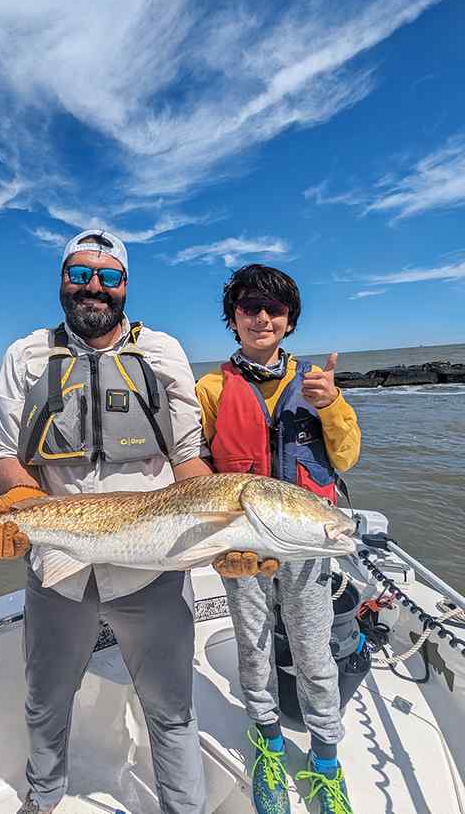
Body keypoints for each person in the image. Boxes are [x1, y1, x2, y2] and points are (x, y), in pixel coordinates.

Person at [0, 229, 218, 814]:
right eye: (80, 274)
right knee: (45, 700)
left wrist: (223, 527)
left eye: (109, 277)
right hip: (60, 569)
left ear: (126, 286)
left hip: (153, 570)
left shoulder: (161, 353)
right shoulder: (25, 357)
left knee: (172, 710)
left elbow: (188, 457)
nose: (94, 288)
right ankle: (44, 797)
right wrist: (18, 503)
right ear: (61, 280)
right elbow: (9, 456)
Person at [196, 264, 361, 814]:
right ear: (233, 319)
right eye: (248, 307)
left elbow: (347, 456)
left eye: (274, 309)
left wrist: (331, 404)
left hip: (306, 544)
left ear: (289, 321)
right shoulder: (211, 388)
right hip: (240, 542)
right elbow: (192, 462)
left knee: (316, 654)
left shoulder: (316, 383)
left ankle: (325, 762)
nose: (261, 317)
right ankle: (267, 744)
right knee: (254, 645)